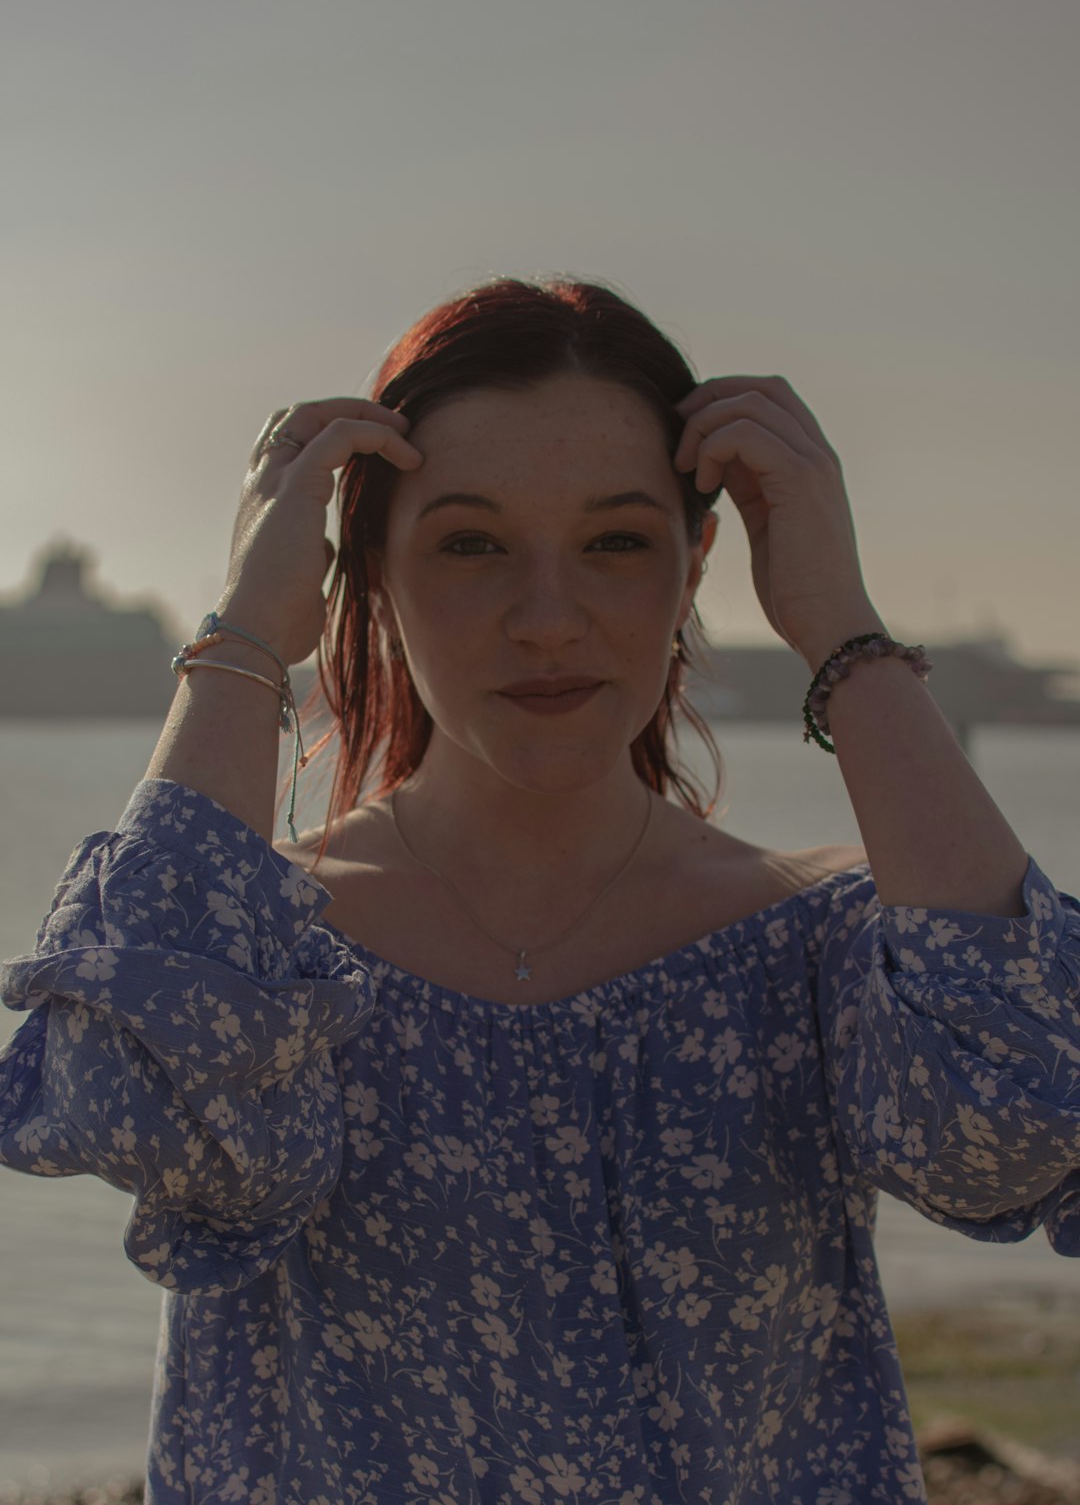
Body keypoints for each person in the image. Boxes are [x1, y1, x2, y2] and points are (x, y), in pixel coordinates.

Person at [1, 277, 1077, 1505]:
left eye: (618, 541)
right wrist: (250, 627)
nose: (549, 619)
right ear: (372, 574)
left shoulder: (815, 942)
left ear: (698, 561)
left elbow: (1030, 1128)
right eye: (470, 544)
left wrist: (843, 630)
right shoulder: (266, 963)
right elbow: (123, 1111)